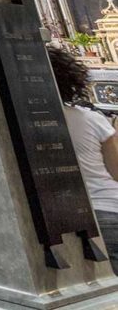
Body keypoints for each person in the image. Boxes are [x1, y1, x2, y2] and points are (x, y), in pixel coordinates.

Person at [49, 45, 118, 269]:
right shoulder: (90, 118)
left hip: (82, 218)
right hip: (111, 205)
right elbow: (116, 171)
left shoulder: (28, 126)